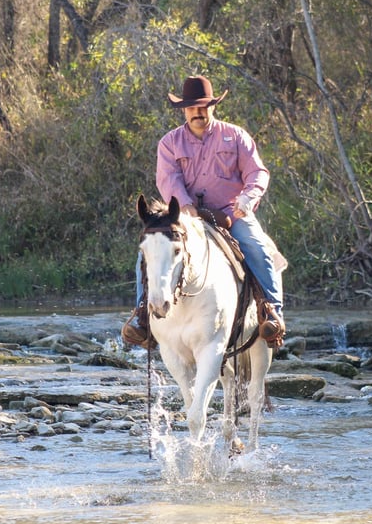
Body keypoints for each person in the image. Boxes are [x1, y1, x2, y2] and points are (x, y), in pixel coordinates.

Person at [122, 75, 285, 348]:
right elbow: (168, 179)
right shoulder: (170, 143)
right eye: (192, 108)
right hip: (187, 216)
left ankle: (271, 313)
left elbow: (257, 172)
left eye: (204, 106)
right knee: (151, 252)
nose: (198, 112)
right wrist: (185, 206)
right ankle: (142, 316)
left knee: (257, 248)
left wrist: (247, 198)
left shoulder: (236, 136)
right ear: (184, 110)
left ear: (213, 107)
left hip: (232, 213)